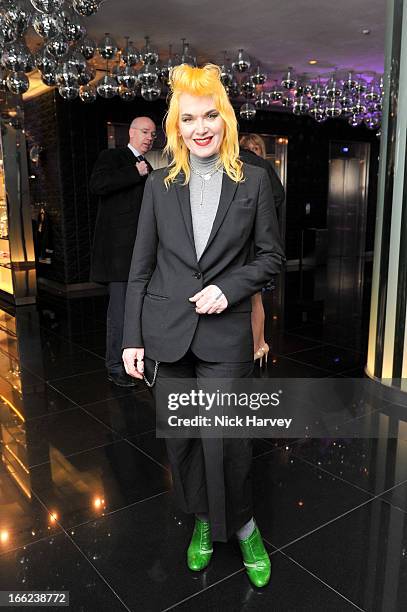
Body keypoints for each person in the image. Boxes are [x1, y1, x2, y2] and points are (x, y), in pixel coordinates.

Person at [122, 64, 284, 587]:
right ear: (176, 125)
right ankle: (202, 520)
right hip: (167, 331)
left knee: (228, 438)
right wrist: (132, 337)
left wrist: (230, 287)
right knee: (184, 440)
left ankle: (245, 526)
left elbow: (270, 258)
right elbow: (140, 266)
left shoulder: (254, 181)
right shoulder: (160, 185)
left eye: (210, 114)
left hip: (225, 334)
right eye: (188, 117)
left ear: (225, 118)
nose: (200, 126)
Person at [89, 116, 156, 387]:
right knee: (119, 314)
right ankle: (115, 366)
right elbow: (97, 186)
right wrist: (134, 173)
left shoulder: (149, 166)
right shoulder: (112, 156)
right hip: (118, 256)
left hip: (143, 254)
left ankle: (138, 362)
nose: (149, 137)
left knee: (141, 311)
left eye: (153, 133)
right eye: (144, 131)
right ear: (130, 133)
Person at [239, 133, 285, 366]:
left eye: (254, 147)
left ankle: (257, 346)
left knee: (250, 300)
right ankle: (258, 346)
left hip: (248, 246)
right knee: (254, 300)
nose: (252, 151)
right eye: (250, 147)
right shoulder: (261, 167)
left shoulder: (245, 166)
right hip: (255, 245)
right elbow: (278, 197)